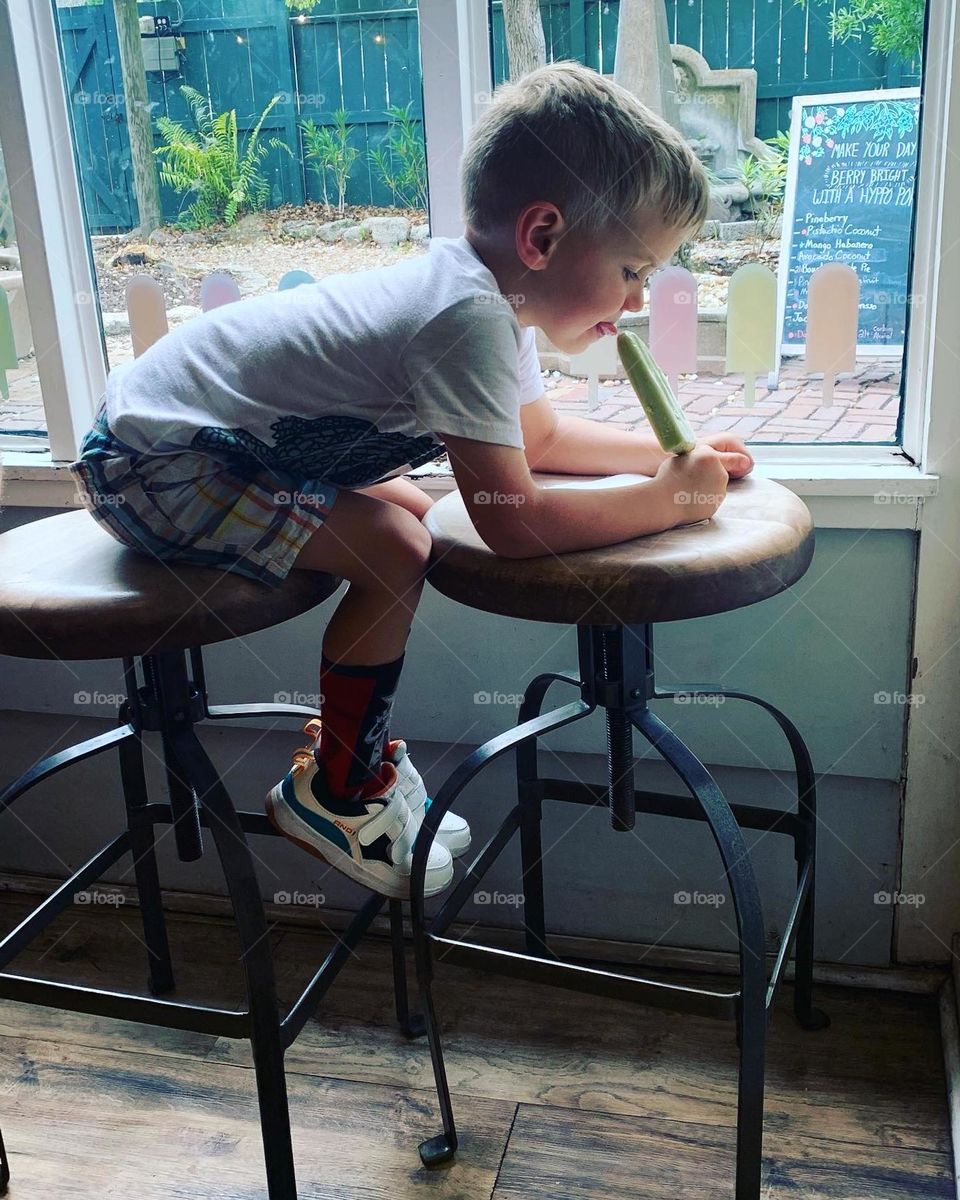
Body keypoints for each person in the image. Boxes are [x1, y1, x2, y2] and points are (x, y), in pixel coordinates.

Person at [70, 61, 753, 902]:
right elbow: (513, 520)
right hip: (156, 463)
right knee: (395, 546)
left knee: (407, 509)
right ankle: (338, 792)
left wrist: (664, 457)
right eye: (632, 268)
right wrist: (670, 504)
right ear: (541, 237)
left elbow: (534, 439)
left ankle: (353, 769)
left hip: (218, 447)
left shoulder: (496, 301)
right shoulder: (467, 319)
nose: (641, 297)